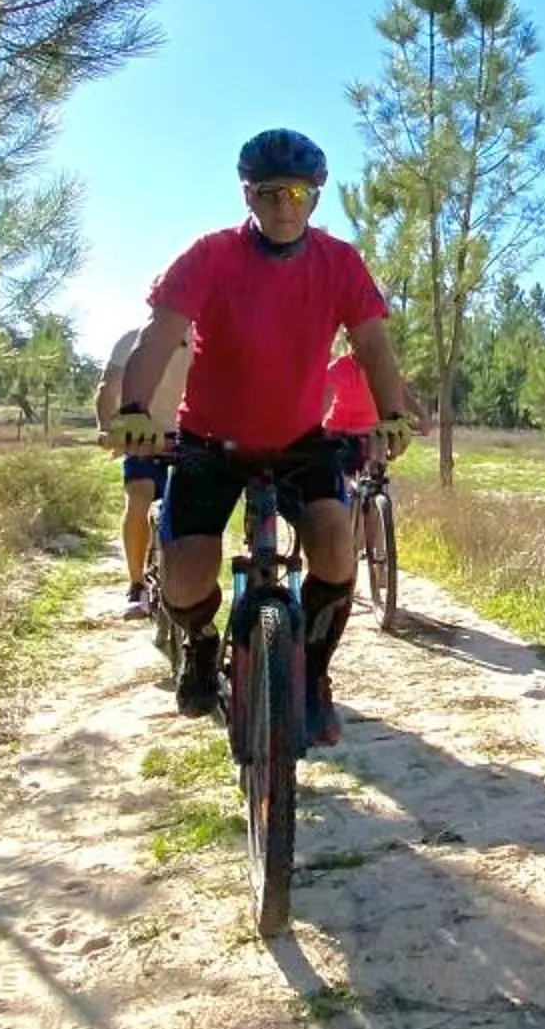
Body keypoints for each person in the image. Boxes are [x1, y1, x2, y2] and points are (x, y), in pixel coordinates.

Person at [107, 129, 419, 749]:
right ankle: (198, 645)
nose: (286, 206)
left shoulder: (339, 262)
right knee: (187, 576)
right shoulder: (211, 255)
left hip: (301, 440)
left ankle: (313, 675)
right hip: (209, 440)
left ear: (316, 198)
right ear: (248, 195)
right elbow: (160, 335)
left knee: (335, 548)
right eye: (271, 193)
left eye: (300, 193)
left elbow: (373, 345)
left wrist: (391, 414)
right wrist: (136, 408)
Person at [97, 320, 189, 619]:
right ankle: (136, 584)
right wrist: (106, 427)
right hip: (143, 434)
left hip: (189, 436)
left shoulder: (208, 339)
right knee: (139, 497)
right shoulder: (132, 340)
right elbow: (108, 386)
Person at [322, 336, 383, 474]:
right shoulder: (338, 367)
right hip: (339, 431)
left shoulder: (380, 368)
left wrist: (417, 413)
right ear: (349, 342)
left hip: (369, 432)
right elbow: (324, 401)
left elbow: (397, 390)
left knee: (376, 470)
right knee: (339, 477)